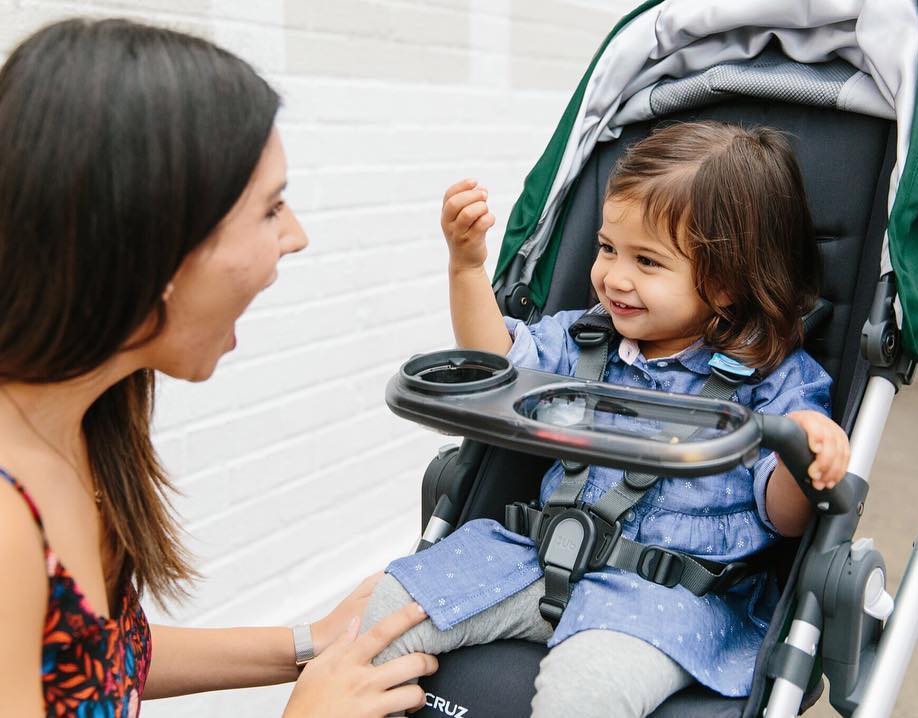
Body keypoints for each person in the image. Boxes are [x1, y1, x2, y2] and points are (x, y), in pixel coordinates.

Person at [0, 18, 437, 718]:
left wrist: (310, 642)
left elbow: (92, 661)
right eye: (270, 209)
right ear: (153, 242)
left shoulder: (75, 417)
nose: (295, 236)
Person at [362, 121, 852, 716]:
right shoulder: (585, 339)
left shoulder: (774, 381)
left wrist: (803, 455)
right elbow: (497, 373)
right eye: (607, 248)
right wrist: (466, 269)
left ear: (725, 284)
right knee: (389, 611)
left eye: (646, 261)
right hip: (538, 554)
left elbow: (787, 518)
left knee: (586, 690)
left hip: (667, 597)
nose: (614, 277)